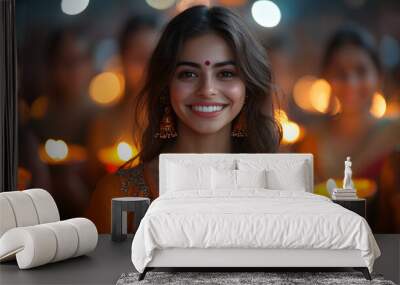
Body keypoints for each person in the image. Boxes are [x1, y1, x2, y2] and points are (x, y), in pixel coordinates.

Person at [85, 5, 282, 233]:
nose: (207, 89)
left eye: (226, 73)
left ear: (248, 86)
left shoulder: (276, 190)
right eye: (188, 74)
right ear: (165, 85)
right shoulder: (118, 195)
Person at [295, 25, 400, 232]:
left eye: (361, 71)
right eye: (340, 73)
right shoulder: (310, 141)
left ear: (378, 76)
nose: (351, 82)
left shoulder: (395, 135)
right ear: (326, 78)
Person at [86, 15, 160, 187]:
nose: (149, 67)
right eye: (139, 58)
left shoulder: (174, 120)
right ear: (123, 60)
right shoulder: (103, 124)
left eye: (155, 58)